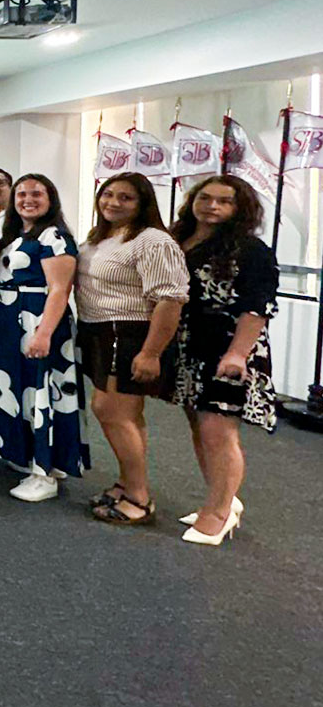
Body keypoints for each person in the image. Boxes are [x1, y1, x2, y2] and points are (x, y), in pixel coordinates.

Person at [169, 175, 278, 546]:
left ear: (239, 208)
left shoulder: (250, 250)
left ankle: (219, 513)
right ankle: (221, 498)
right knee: (200, 428)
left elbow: (257, 306)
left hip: (229, 350)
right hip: (188, 347)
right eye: (205, 198)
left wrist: (237, 354)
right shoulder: (180, 239)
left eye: (224, 201)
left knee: (219, 433)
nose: (212, 206)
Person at [76, 172, 189, 525]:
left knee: (111, 411)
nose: (113, 202)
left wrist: (151, 353)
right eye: (107, 194)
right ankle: (127, 482)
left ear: (142, 204)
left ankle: (138, 497)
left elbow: (171, 299)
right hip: (99, 331)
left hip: (128, 335)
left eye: (125, 197)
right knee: (126, 415)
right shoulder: (103, 236)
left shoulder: (153, 241)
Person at [0, 174, 86, 501]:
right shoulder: (16, 235)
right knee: (21, 393)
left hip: (37, 321)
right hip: (10, 323)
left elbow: (59, 289)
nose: (28, 199)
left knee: (42, 393)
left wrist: (43, 333)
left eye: (36, 193)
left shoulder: (55, 237)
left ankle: (45, 472)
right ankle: (30, 456)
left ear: (51, 198)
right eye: (22, 194)